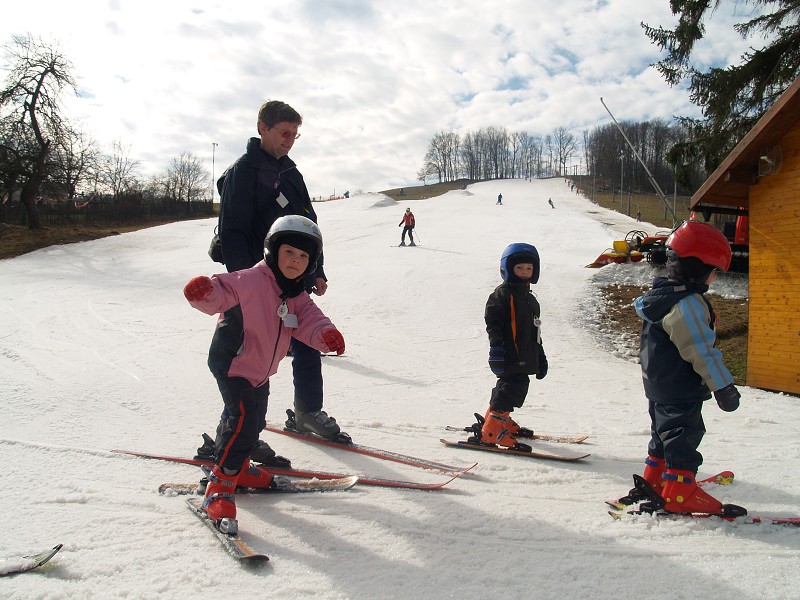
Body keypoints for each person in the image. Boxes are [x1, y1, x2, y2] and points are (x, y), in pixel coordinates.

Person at [198, 100, 347, 471]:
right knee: (246, 362)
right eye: (284, 133)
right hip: (254, 285)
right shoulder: (242, 173)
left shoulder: (292, 174)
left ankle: (308, 412)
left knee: (308, 345)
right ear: (262, 128)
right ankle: (234, 436)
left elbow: (308, 224)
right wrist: (243, 288)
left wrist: (317, 269)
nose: (290, 141)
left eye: (295, 135)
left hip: (292, 281)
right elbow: (232, 233)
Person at [184, 215, 346, 532]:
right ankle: (220, 483)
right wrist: (203, 292)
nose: (296, 262)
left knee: (252, 419)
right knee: (243, 419)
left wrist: (325, 334)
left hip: (260, 369)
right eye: (289, 253)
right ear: (273, 252)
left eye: (303, 257)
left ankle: (238, 465)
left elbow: (310, 322)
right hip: (233, 362)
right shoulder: (250, 281)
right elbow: (220, 291)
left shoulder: (295, 296)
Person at [625, 220, 743, 515]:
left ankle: (655, 478)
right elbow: (700, 351)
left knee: (664, 434)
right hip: (680, 387)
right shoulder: (687, 304)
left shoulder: (661, 297)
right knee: (683, 435)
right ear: (699, 268)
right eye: (716, 271)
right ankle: (680, 491)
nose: (716, 277)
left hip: (658, 384)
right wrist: (723, 386)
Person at [471, 243, 548, 450]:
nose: (525, 273)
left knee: (507, 386)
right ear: (508, 268)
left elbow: (536, 331)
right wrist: (496, 348)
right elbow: (493, 323)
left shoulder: (531, 299)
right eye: (519, 268)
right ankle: (492, 431)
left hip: (524, 352)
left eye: (529, 269)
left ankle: (495, 420)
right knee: (514, 386)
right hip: (508, 351)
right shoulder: (503, 295)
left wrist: (540, 356)